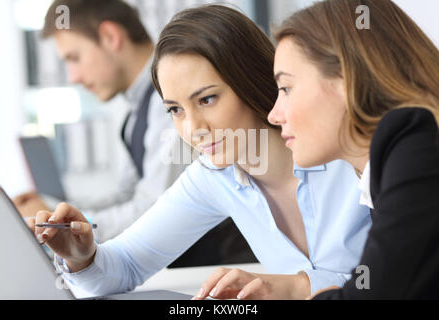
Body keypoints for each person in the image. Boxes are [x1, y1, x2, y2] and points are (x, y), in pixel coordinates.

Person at [26, 5, 371, 300]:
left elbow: (404, 277)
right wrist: (82, 257)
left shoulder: (349, 153)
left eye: (207, 99)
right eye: (175, 110)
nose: (193, 130)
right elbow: (126, 265)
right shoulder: (214, 177)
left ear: (252, 82)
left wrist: (292, 286)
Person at [14, 0, 257, 268]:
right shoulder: (136, 111)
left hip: (216, 267)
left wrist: (69, 228)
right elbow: (127, 196)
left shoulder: (168, 102)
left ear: (110, 37)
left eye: (74, 58)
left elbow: (151, 210)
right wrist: (51, 209)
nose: (73, 77)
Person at [268, 0, 438, 299]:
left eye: (286, 89)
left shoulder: (414, 138)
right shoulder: (399, 157)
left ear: (347, 78)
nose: (274, 114)